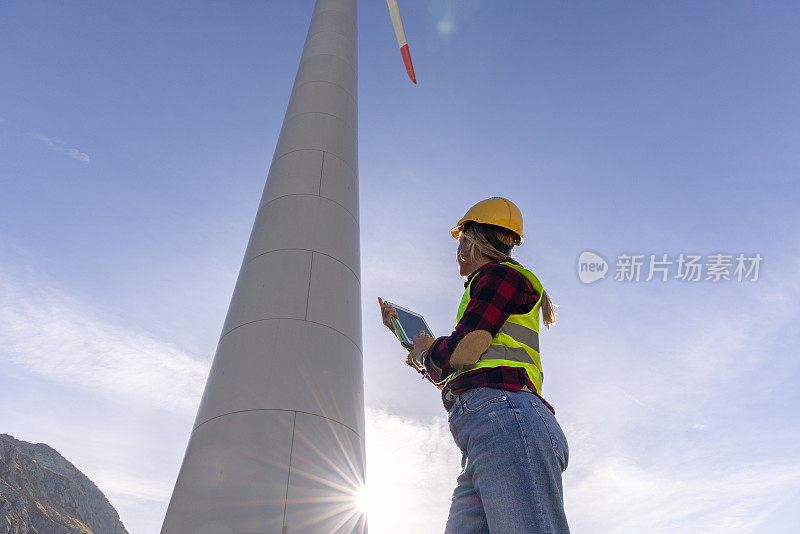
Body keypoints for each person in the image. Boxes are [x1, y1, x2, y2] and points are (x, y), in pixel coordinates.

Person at [379, 197, 570, 533]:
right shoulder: (501, 280)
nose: (457, 250)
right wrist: (418, 352)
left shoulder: (499, 276)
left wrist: (429, 350)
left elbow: (468, 349)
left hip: (505, 419)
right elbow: (466, 367)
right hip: (491, 427)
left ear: (469, 239)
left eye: (459, 241)